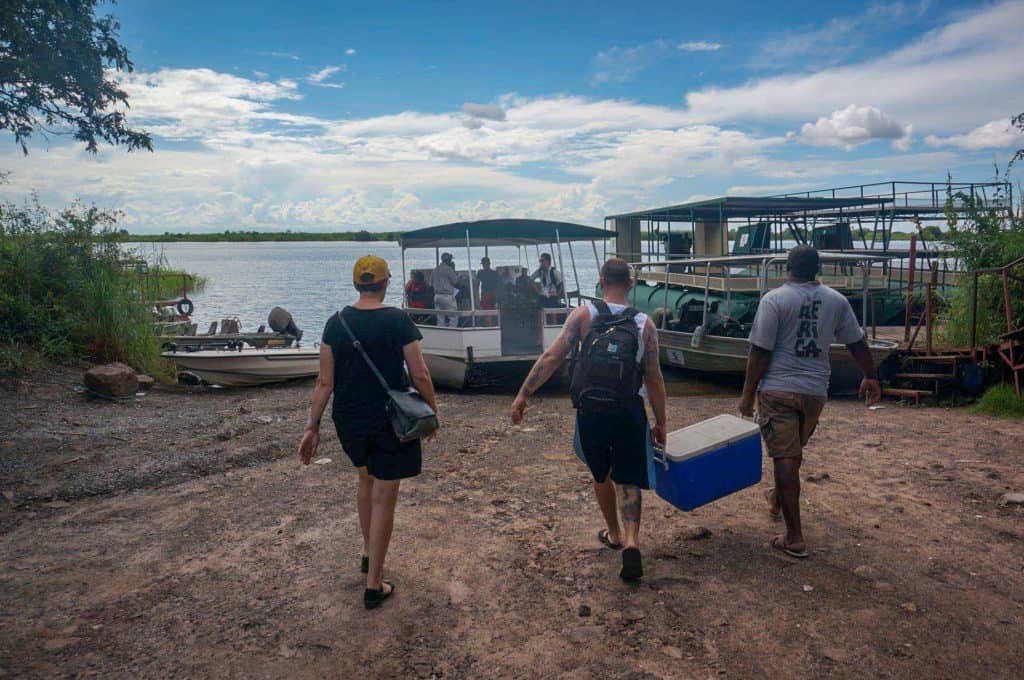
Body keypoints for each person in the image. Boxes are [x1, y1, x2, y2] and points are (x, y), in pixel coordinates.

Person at [511, 258, 668, 582]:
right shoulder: (644, 324)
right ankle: (631, 541)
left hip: (591, 409)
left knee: (602, 473)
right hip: (629, 409)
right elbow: (654, 378)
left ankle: (612, 533)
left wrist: (524, 394)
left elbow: (552, 356)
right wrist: (661, 422)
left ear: (601, 281)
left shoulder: (584, 315)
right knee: (628, 479)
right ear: (629, 283)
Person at [298, 255, 438, 609]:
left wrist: (311, 426)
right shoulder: (398, 320)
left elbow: (324, 381)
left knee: (365, 479)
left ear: (356, 283)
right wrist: (430, 413)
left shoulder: (336, 323)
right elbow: (419, 373)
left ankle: (367, 551)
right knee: (384, 496)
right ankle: (374, 584)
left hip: (349, 419)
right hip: (390, 419)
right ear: (386, 283)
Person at [739, 245, 881, 559]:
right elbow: (856, 341)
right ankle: (776, 499)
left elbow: (760, 352)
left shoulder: (774, 300)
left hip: (777, 389)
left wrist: (748, 395)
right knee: (791, 454)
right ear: (817, 269)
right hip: (815, 392)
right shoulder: (836, 300)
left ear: (786, 268)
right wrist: (870, 376)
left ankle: (794, 537)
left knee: (786, 459)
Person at [431, 253, 460, 327]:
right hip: (447, 296)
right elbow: (455, 281)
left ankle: (441, 334)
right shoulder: (448, 269)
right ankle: (452, 333)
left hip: (437, 296)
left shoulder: (435, 269)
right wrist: (458, 275)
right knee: (453, 317)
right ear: (449, 260)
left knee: (440, 318)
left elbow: (431, 283)